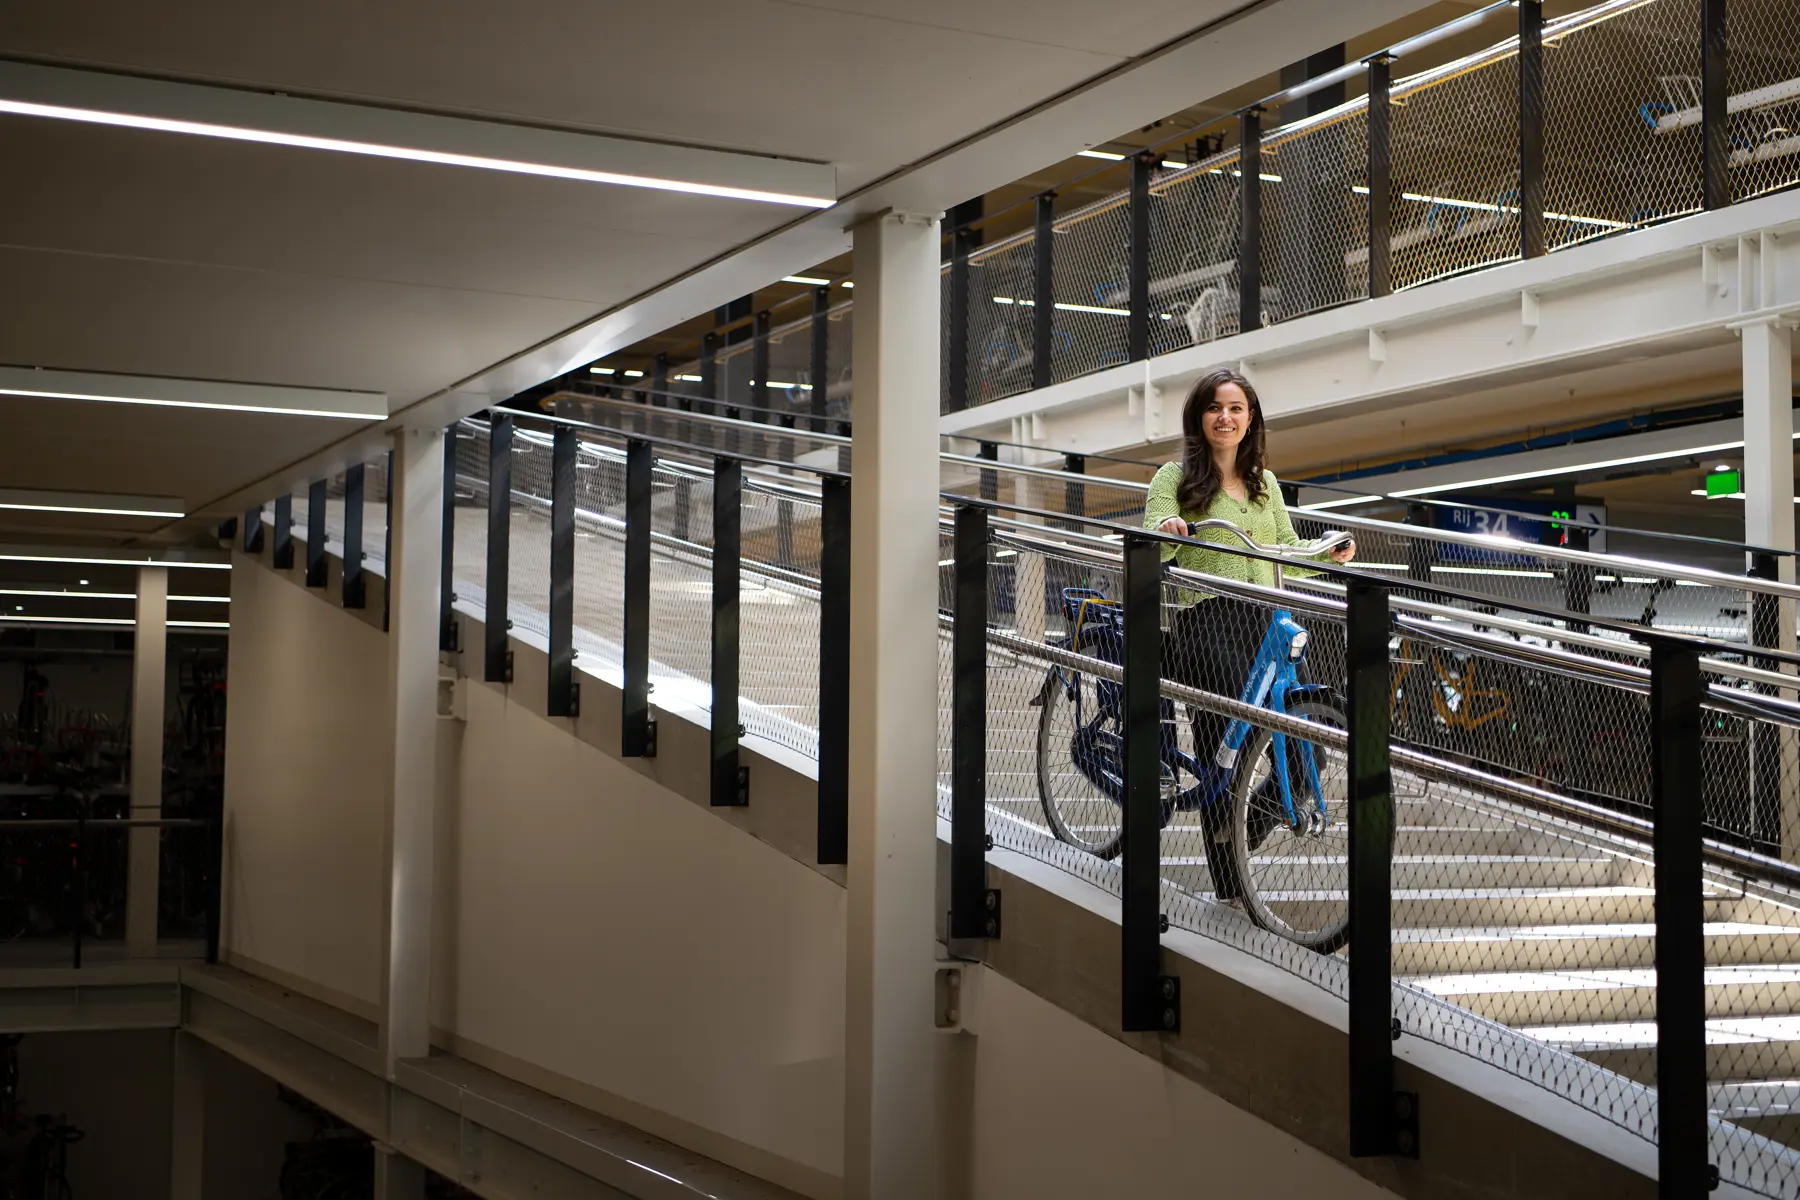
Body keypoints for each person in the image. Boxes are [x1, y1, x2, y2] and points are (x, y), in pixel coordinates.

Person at [1143, 367, 1355, 775]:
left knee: (1306, 748)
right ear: (1199, 418)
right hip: (1208, 621)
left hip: (1270, 620)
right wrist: (1168, 530)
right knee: (1223, 745)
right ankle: (1223, 833)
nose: (1225, 417)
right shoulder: (1173, 477)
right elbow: (1155, 540)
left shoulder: (1266, 483)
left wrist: (1330, 554)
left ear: (1250, 418)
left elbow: (1287, 550)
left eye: (1235, 408)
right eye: (1214, 408)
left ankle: (1249, 827)